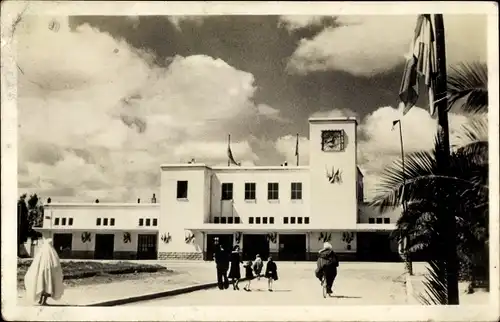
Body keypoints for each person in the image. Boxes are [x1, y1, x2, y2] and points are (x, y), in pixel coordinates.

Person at [24, 238, 64, 305]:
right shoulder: (52, 254)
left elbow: (35, 265)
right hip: (48, 274)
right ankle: (44, 301)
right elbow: (55, 265)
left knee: (41, 285)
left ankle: (40, 300)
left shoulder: (41, 253)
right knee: (47, 287)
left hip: (41, 274)